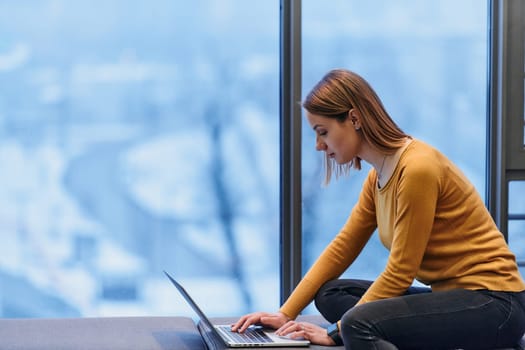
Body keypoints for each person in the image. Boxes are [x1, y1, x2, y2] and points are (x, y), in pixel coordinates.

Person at [231, 68, 525, 349]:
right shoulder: (378, 176)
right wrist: (286, 313)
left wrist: (336, 333)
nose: (319, 145)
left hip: (495, 304)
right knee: (332, 294)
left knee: (357, 322)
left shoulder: (417, 168)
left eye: (322, 132)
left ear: (354, 118)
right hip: (453, 296)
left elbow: (400, 272)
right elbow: (342, 247)